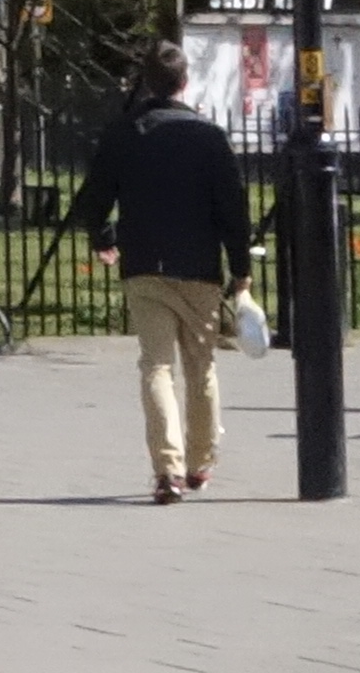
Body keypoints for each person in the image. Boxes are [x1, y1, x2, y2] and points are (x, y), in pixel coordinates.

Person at [67, 38, 258, 501]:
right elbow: (233, 208)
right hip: (198, 266)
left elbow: (94, 197)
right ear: (184, 82)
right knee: (202, 367)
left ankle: (166, 469)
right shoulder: (209, 137)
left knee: (156, 366)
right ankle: (200, 460)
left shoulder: (124, 132)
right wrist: (240, 270)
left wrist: (103, 238)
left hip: (144, 264)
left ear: (147, 83)